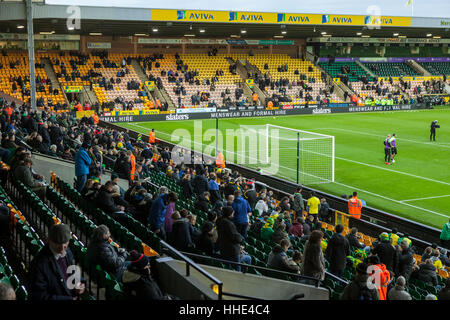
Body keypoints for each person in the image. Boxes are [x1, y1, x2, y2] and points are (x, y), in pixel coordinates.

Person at [28, 224, 85, 300]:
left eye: (65, 243)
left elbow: (73, 272)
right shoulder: (38, 264)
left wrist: (79, 283)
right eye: (58, 244)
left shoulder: (67, 252)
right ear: (49, 240)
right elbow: (40, 296)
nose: (62, 248)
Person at [216, 206, 244, 271]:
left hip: (223, 247)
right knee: (237, 268)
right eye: (232, 213)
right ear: (229, 214)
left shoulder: (219, 220)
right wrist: (241, 239)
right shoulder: (228, 223)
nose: (233, 214)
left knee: (227, 267)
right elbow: (235, 237)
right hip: (231, 250)